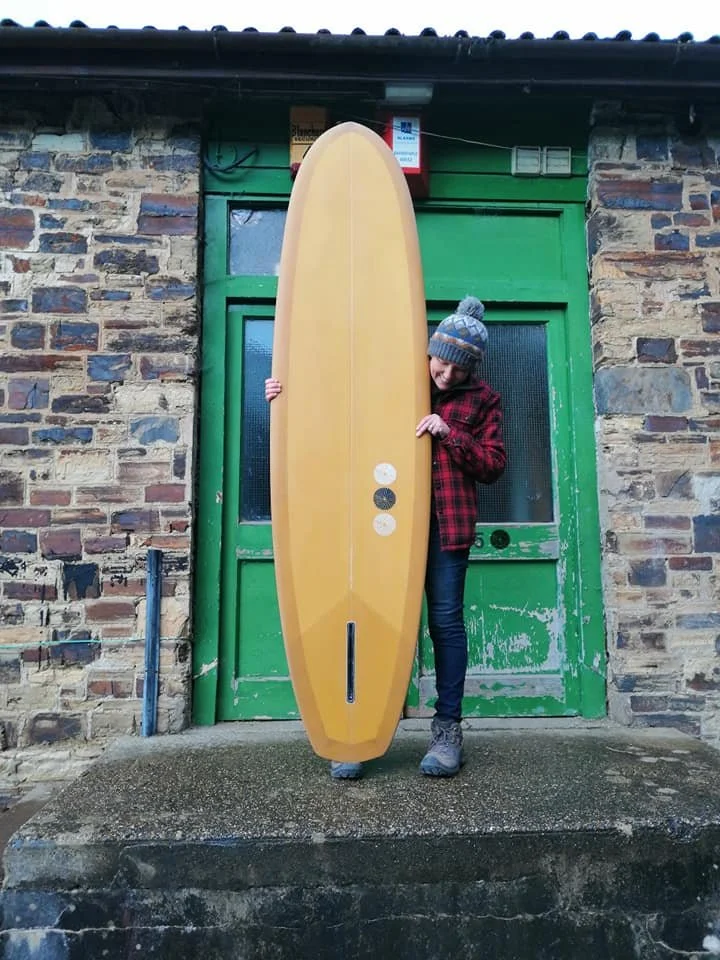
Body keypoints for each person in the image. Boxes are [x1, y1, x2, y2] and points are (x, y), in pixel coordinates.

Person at [265, 295, 506, 780]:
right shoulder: (391, 380)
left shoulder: (483, 400)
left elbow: (494, 465)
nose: (447, 376)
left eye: (460, 371)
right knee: (368, 619)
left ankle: (447, 733)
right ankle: (357, 728)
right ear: (431, 351)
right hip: (383, 526)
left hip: (445, 529)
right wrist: (283, 394)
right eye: (442, 364)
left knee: (445, 626)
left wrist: (448, 433)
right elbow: (335, 416)